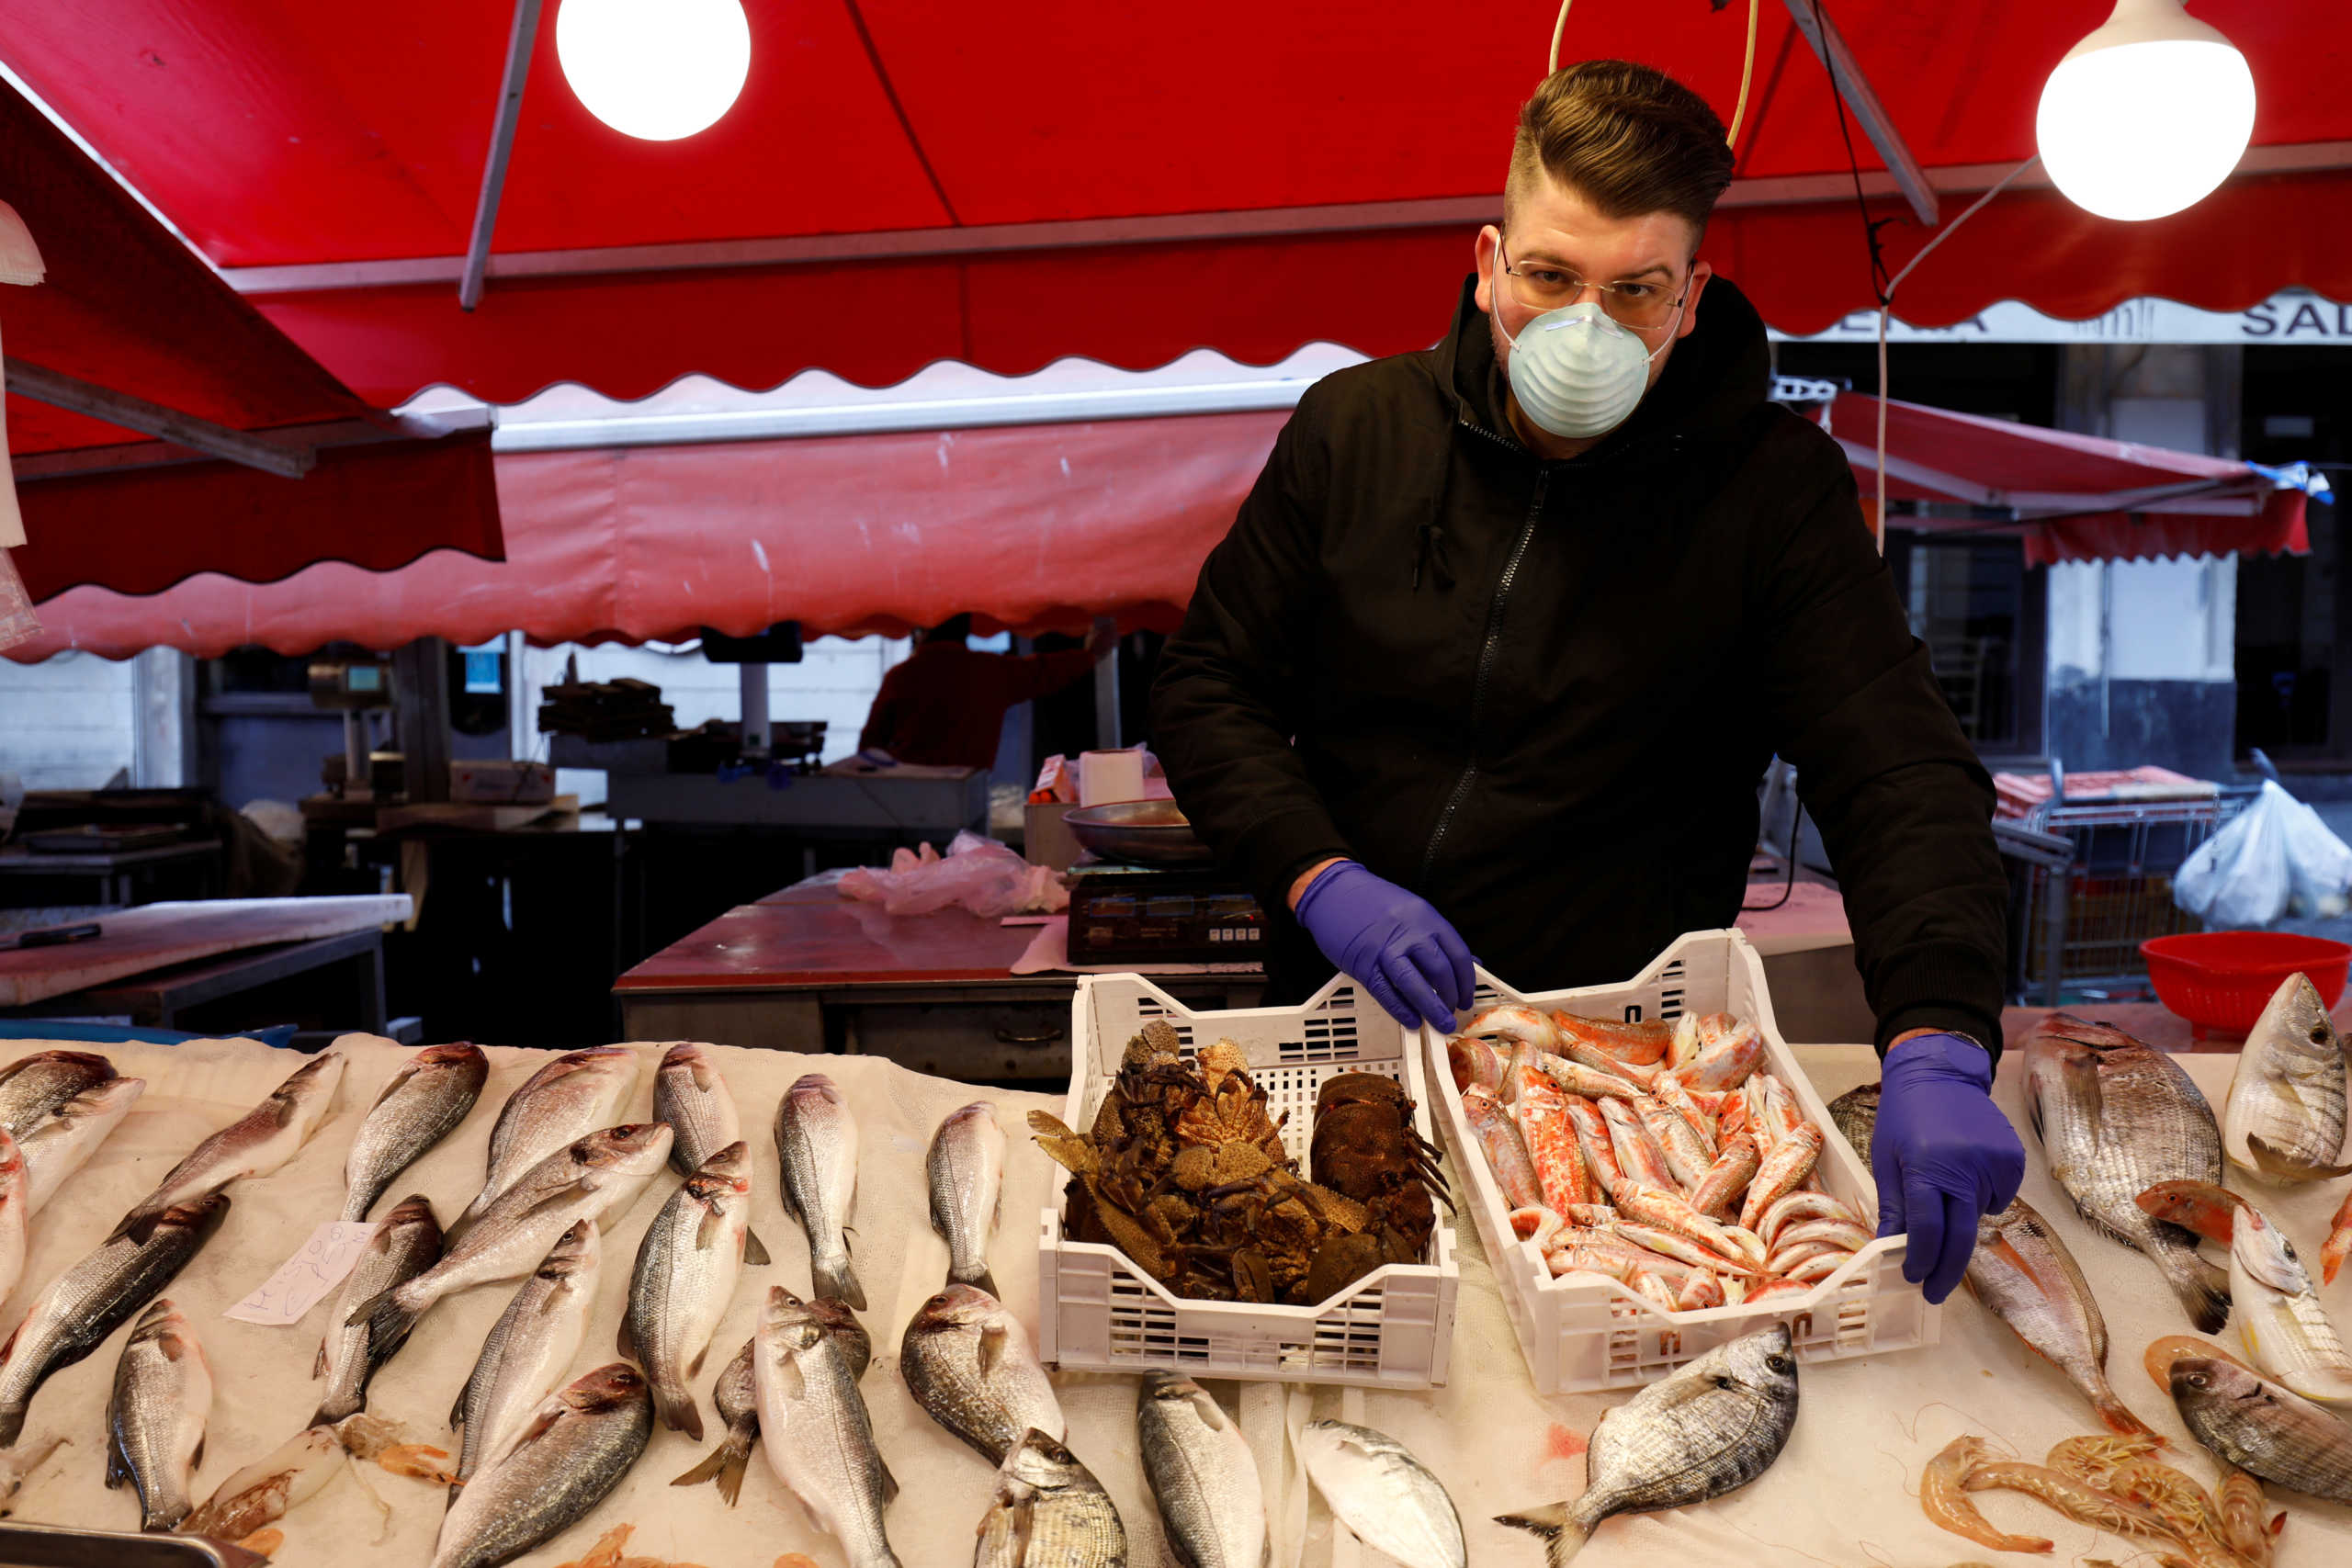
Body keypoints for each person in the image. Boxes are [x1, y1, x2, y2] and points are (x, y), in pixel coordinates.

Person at [1149, 61, 2020, 1304]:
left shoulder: (1774, 493)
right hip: (1343, 1029)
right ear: (1489, 262)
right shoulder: (1355, 431)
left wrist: (1939, 1033)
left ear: (1691, 295)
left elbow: (1896, 769)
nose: (1585, 326)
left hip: (1627, 1073)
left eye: (1635, 291)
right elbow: (1207, 686)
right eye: (1553, 278)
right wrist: (1316, 871)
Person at [858, 615, 1111, 770]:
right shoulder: (990, 671)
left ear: (922, 633)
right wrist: (1088, 655)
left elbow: (869, 746)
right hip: (969, 793)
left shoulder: (901, 675)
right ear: (965, 632)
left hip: (904, 799)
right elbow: (1045, 671)